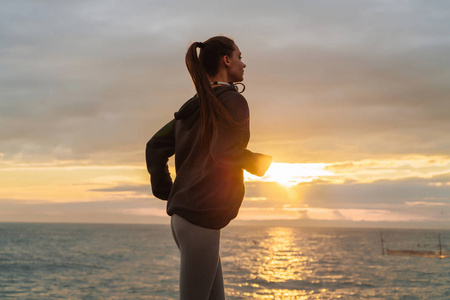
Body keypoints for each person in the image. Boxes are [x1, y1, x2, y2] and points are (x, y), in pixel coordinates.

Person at [146, 36, 272, 300]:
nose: (243, 63)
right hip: (200, 217)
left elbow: (155, 146)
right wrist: (260, 163)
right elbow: (224, 152)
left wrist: (170, 192)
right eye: (239, 56)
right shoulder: (232, 102)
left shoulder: (194, 107)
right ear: (226, 60)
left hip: (186, 217)